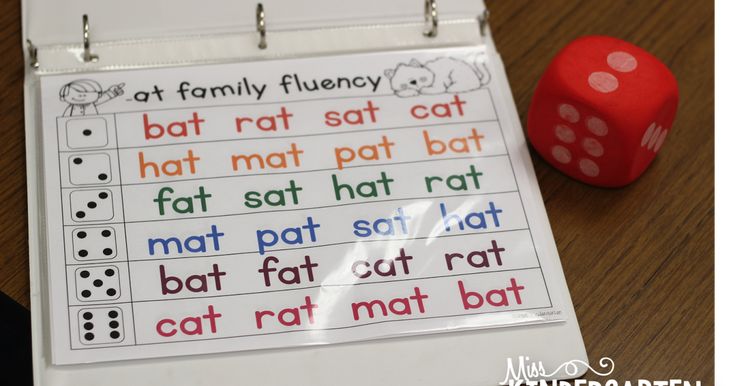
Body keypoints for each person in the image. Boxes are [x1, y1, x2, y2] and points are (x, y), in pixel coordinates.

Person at [59, 79, 125, 116]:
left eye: (85, 94)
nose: (81, 96)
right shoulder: (70, 108)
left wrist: (113, 92)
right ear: (63, 97)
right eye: (78, 94)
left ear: (98, 94)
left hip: (93, 124)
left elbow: (104, 97)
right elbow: (64, 120)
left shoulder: (91, 104)